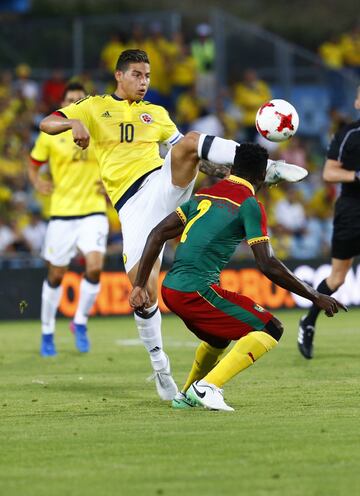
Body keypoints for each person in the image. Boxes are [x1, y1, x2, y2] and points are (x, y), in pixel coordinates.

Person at [39, 49, 306, 400]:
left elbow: (192, 154)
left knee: (191, 142)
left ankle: (266, 166)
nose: (144, 82)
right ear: (119, 76)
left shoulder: (157, 113)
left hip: (161, 183)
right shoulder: (92, 107)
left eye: (147, 76)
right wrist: (73, 122)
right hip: (132, 206)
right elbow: (46, 122)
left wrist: (227, 169)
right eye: (136, 75)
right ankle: (160, 367)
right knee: (143, 295)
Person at [129, 140, 344, 411]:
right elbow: (267, 264)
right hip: (195, 290)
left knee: (218, 338)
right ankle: (207, 387)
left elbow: (157, 233)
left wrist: (139, 285)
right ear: (261, 176)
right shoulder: (249, 204)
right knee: (270, 328)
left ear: (233, 168)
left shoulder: (205, 194)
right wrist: (314, 295)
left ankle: (185, 396)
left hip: (171, 288)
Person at [29, 82, 109, 357]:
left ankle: (80, 322)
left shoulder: (98, 131)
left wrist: (109, 186)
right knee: (56, 274)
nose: (75, 104)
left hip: (93, 211)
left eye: (80, 100)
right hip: (62, 213)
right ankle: (47, 331)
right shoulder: (51, 134)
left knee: (96, 266)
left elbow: (115, 163)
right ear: (63, 105)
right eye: (70, 100)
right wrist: (35, 181)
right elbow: (34, 162)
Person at [298, 86, 360, 359]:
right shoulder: (348, 134)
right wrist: (357, 176)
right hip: (352, 209)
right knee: (337, 277)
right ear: (358, 102)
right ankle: (308, 321)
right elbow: (329, 172)